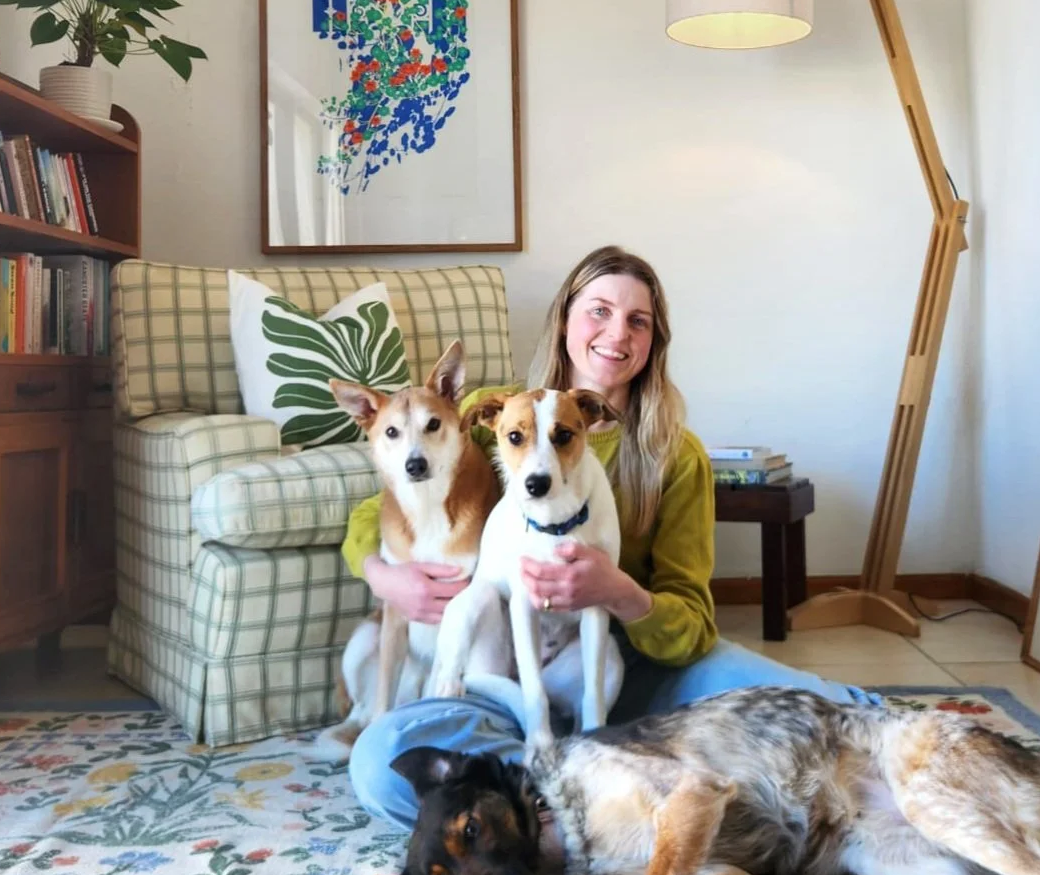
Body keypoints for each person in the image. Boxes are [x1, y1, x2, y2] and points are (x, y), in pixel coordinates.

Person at [341, 245, 879, 830]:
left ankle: (585, 792)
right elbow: (384, 506)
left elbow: (692, 624)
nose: (616, 334)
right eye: (598, 310)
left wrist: (617, 591)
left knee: (822, 713)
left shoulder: (675, 455)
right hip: (505, 669)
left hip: (634, 658)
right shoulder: (491, 416)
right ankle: (586, 791)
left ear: (654, 343)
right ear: (566, 319)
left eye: (637, 321)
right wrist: (384, 575)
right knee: (381, 762)